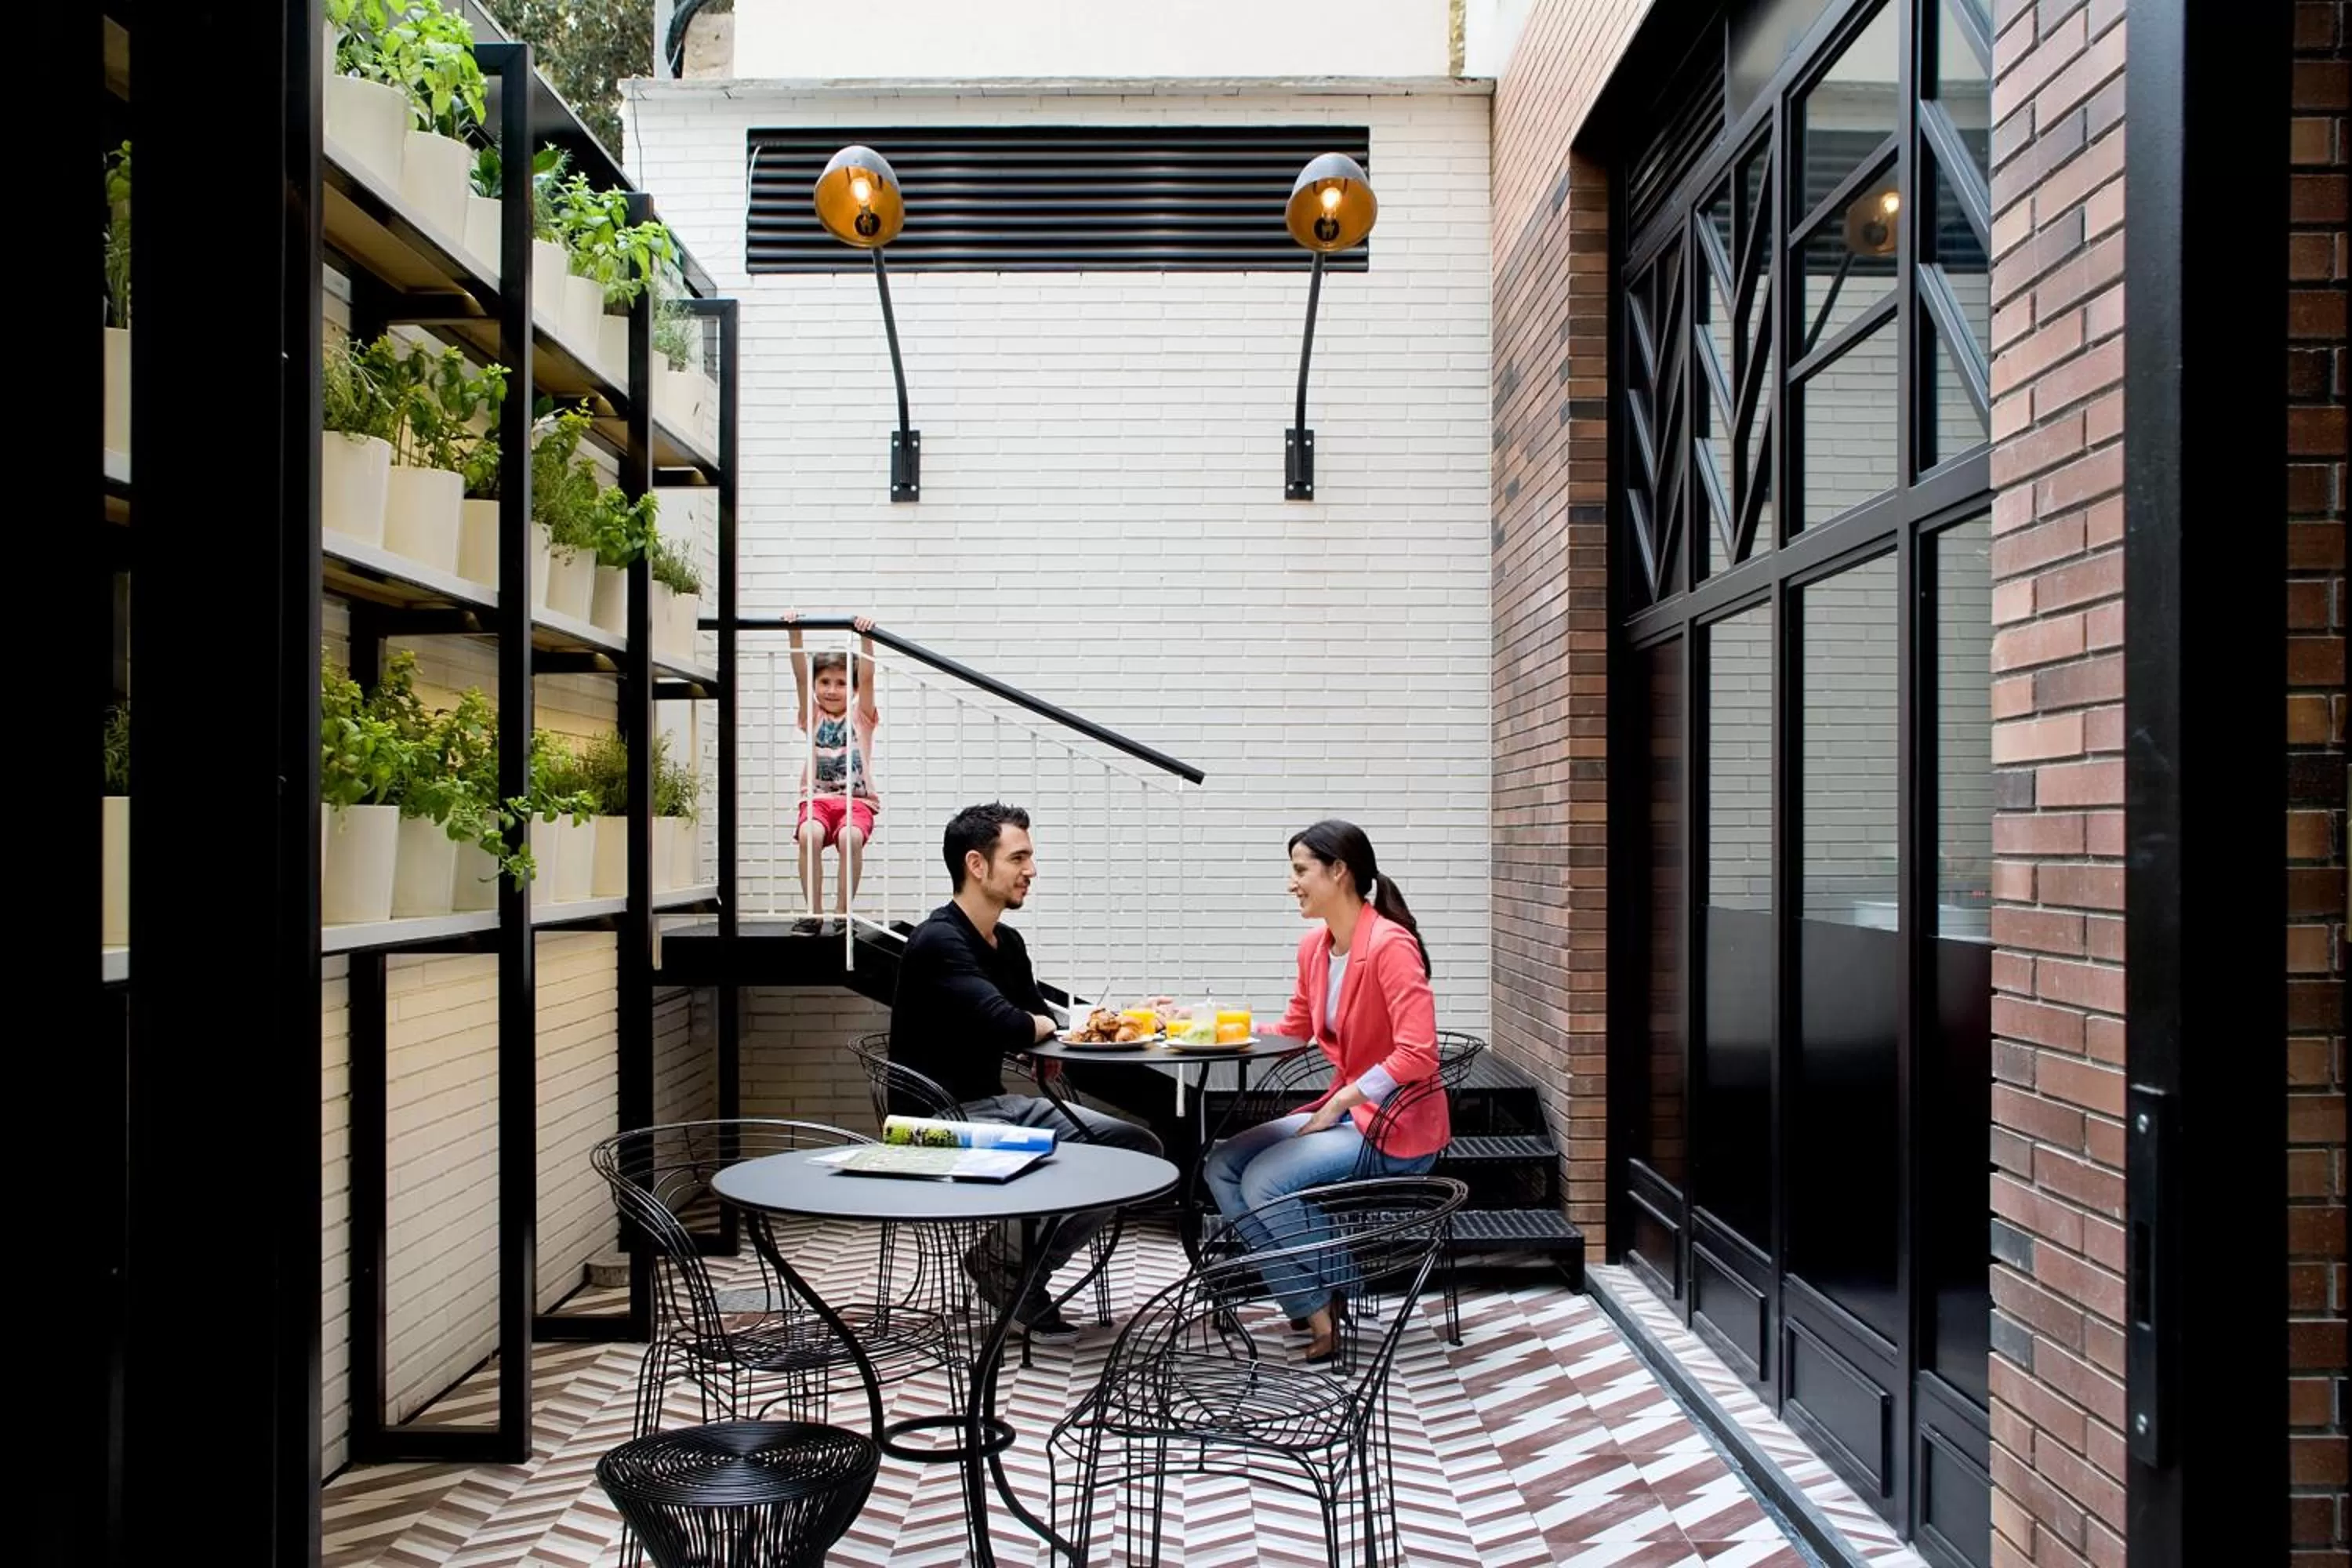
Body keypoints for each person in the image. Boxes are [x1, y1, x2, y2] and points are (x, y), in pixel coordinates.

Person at [888, 801, 1164, 1343]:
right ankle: (1011, 1272)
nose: (1030, 870)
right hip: (934, 1123)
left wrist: (1134, 1017)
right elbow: (1012, 1024)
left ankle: (1004, 1262)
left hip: (999, 1108)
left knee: (1136, 1149)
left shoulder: (1006, 942)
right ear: (976, 864)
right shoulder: (939, 941)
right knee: (1078, 1162)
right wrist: (1034, 1027)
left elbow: (1043, 1019)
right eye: (1019, 857)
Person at [1202, 819, 1447, 1362]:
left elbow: (1419, 1052)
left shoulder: (1390, 945)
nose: (1292, 883)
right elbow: (1294, 1030)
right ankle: (1316, 1305)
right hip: (1348, 1115)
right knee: (1221, 1165)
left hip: (1394, 1123)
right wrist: (1205, 1025)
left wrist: (1341, 1100)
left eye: (1300, 870)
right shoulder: (1316, 947)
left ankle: (1339, 1296)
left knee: (1265, 1179)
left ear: (1339, 872)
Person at [786, 611, 878, 932]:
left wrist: (867, 637)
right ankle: (814, 913)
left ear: (851, 690)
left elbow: (867, 677)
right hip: (818, 799)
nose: (831, 690)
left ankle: (842, 914)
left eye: (840, 684)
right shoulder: (812, 716)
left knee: (850, 837)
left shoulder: (861, 717)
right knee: (809, 835)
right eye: (824, 682)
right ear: (815, 686)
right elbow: (798, 675)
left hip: (858, 802)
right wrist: (794, 633)